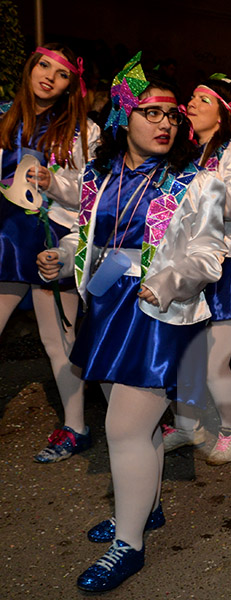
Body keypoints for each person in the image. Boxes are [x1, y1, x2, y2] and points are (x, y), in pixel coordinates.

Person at [37, 54, 226, 592]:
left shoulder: (198, 182)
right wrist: (64, 254)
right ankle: (146, 509)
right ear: (123, 117)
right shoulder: (100, 175)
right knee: (129, 425)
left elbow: (208, 257)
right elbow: (95, 238)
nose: (165, 123)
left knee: (124, 428)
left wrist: (167, 282)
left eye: (171, 115)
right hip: (106, 305)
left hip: (162, 312)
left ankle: (130, 544)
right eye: (150, 113)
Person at [0, 43, 99, 462]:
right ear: (30, 67)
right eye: (44, 66)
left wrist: (53, 182)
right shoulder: (4, 114)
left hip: (49, 239)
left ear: (69, 86)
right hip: (4, 234)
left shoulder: (84, 130)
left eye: (61, 74)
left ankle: (77, 426)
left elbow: (90, 196)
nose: (49, 77)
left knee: (57, 339)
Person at [162, 75, 231, 465]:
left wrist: (200, 184)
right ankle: (186, 426)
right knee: (182, 354)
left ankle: (229, 430)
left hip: (227, 264)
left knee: (215, 360)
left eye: (204, 99)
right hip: (185, 264)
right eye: (192, 97)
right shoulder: (181, 150)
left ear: (221, 114)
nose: (193, 103)